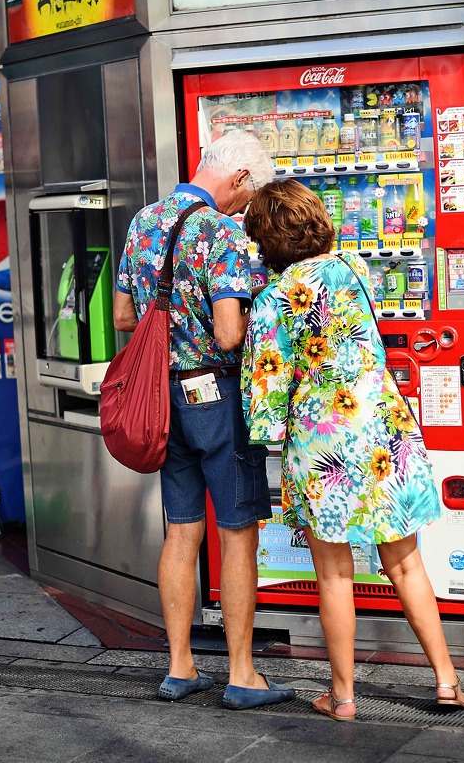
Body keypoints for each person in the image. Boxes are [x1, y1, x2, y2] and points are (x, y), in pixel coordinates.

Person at [241, 179, 464, 721]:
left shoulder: (273, 302)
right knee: (406, 563)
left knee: (334, 575)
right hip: (382, 427)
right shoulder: (353, 268)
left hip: (324, 442)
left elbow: (267, 403)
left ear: (266, 241)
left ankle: (343, 697)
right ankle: (445, 681)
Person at [112, 132, 295, 711]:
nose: (248, 206)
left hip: (161, 402)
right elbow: (228, 334)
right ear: (239, 178)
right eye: (250, 194)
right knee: (237, 531)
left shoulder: (145, 221)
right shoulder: (221, 232)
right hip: (214, 397)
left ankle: (180, 667)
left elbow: (122, 316)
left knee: (181, 529)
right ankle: (242, 674)